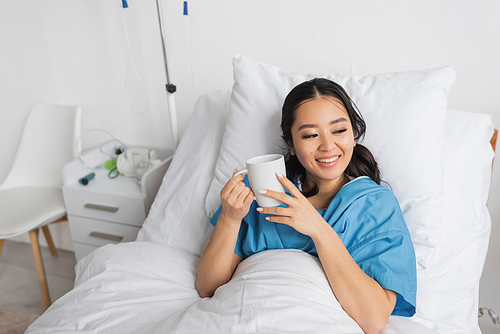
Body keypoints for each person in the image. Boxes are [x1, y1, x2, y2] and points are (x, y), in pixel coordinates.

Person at [196, 78, 417, 334]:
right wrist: (231, 219)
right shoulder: (259, 194)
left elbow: (374, 319)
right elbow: (208, 287)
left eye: (339, 130)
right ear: (291, 143)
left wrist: (318, 229)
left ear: (353, 135)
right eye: (311, 135)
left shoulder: (375, 205)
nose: (327, 146)